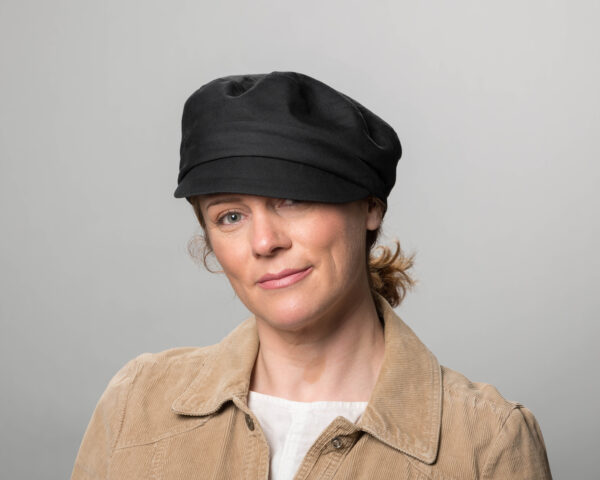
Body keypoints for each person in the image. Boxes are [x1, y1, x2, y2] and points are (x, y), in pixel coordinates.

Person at [71, 71, 552, 479]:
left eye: (293, 198)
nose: (264, 241)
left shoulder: (485, 442)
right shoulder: (137, 403)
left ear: (370, 207)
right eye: (230, 216)